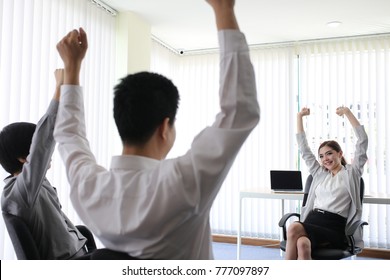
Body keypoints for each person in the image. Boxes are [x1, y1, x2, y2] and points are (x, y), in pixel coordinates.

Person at [54, 0, 260, 259]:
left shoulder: (89, 188)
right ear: (165, 127)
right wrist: (223, 8)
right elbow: (240, 110)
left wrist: (72, 68)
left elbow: (68, 136)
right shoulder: (181, 183)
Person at [0, 69, 89, 260]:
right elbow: (44, 139)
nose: (50, 152)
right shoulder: (21, 192)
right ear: (24, 158)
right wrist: (59, 88)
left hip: (80, 252)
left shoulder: (33, 184)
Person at [285, 106, 368, 260]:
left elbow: (363, 140)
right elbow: (304, 149)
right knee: (302, 244)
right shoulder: (319, 174)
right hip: (312, 220)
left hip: (333, 227)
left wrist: (348, 113)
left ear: (340, 153)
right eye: (321, 156)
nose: (325, 159)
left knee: (294, 227)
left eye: (329, 153)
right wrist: (299, 117)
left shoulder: (352, 173)